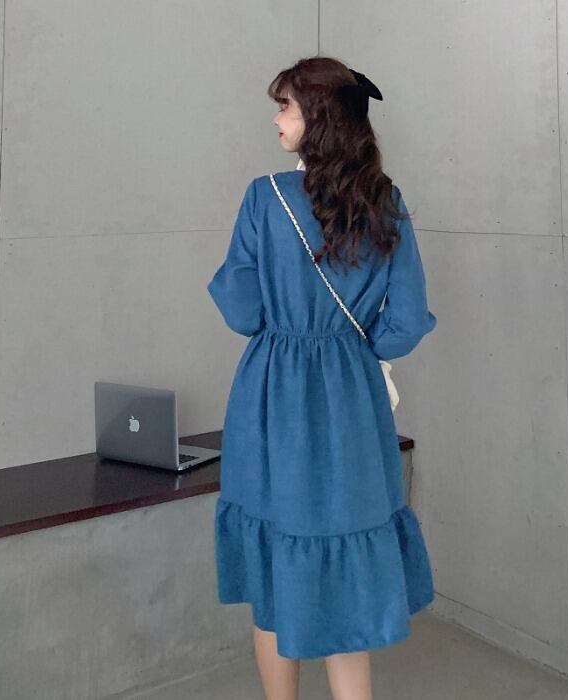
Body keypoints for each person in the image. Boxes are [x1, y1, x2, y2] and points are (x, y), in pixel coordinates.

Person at [207, 56, 438, 700]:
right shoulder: (385, 200)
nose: (276, 119)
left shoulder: (265, 197)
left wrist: (289, 332)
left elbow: (241, 308)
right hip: (352, 397)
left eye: (285, 106)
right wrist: (353, 352)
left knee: (273, 571)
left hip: (273, 393)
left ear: (318, 117)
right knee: (345, 576)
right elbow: (407, 318)